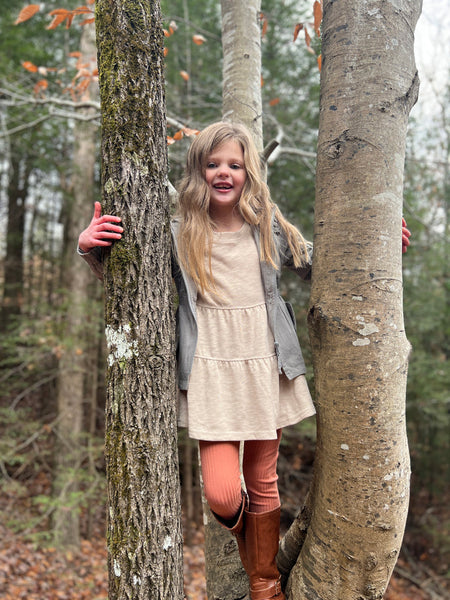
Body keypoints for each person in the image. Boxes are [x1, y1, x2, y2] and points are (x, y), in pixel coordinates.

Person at [78, 122, 411, 600]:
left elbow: (321, 263)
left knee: (261, 478)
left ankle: (264, 582)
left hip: (263, 360)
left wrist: (381, 251)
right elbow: (130, 283)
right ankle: (257, 550)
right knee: (221, 493)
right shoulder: (178, 230)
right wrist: (87, 245)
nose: (223, 173)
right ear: (197, 171)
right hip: (210, 364)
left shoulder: (266, 226)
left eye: (234, 164)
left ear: (249, 171)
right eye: (212, 164)